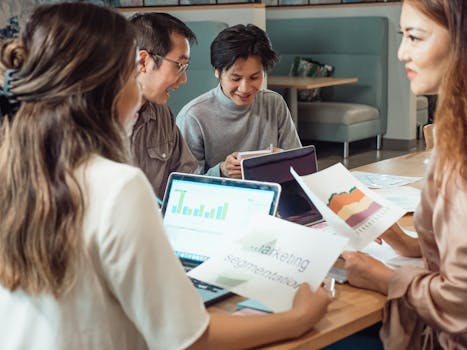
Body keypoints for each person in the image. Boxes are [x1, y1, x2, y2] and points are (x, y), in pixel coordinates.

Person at [0, 3, 332, 349]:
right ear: (109, 86)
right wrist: (299, 319)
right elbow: (191, 339)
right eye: (131, 74)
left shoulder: (17, 168)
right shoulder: (116, 186)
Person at [342, 0, 467, 348]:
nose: (400, 53)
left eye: (414, 37)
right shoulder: (453, 127)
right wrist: (410, 244)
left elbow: (461, 302)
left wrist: (384, 278)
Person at [176, 24, 301, 178]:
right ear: (217, 71)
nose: (245, 88)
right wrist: (221, 171)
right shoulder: (193, 116)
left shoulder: (274, 103)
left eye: (254, 77)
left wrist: (282, 157)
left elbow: (299, 164)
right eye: (236, 78)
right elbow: (185, 181)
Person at [129, 13, 198, 200]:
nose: (183, 80)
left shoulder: (162, 114)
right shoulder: (91, 120)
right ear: (143, 61)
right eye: (180, 66)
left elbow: (188, 176)